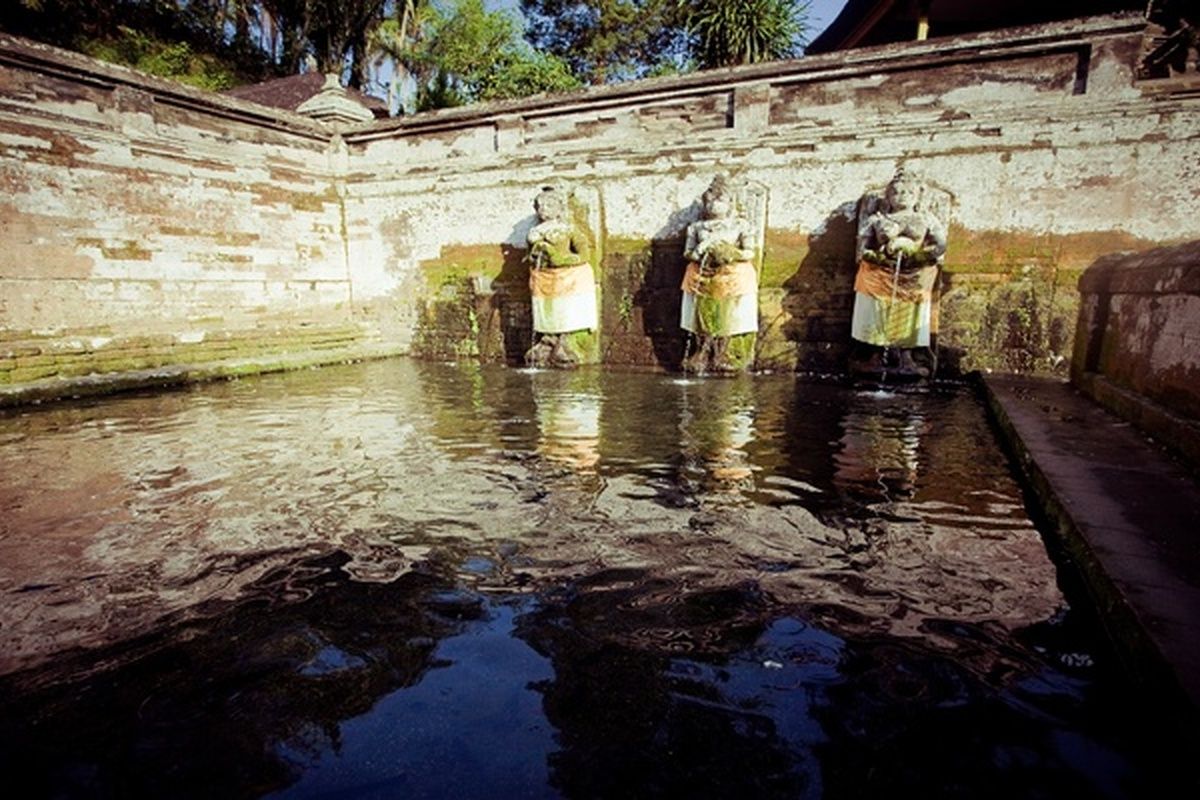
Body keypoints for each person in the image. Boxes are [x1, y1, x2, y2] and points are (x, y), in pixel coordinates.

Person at [851, 168, 947, 378]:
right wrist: (878, 257)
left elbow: (940, 245)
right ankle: (875, 352)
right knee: (876, 309)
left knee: (909, 312)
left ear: (917, 196)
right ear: (888, 196)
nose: (901, 196)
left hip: (914, 273)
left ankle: (907, 356)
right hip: (880, 272)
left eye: (908, 192)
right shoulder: (877, 219)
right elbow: (862, 250)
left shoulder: (925, 218)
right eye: (896, 192)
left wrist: (920, 256)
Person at [680, 175, 759, 373]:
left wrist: (731, 253)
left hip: (730, 273)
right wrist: (699, 250)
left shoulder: (741, 225)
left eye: (720, 200)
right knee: (700, 303)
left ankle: (725, 349)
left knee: (737, 288)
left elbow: (750, 252)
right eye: (709, 200)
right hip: (703, 272)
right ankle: (702, 348)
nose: (713, 204)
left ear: (730, 203)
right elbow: (687, 253)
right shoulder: (696, 227)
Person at [525, 186, 596, 367]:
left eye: (549, 205)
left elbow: (584, 255)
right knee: (546, 309)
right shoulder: (534, 232)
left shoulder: (567, 229)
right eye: (540, 206)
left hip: (566, 276)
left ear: (559, 208)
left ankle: (566, 337)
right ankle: (548, 337)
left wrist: (562, 259)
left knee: (565, 307)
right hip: (544, 278)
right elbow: (529, 256)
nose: (543, 210)